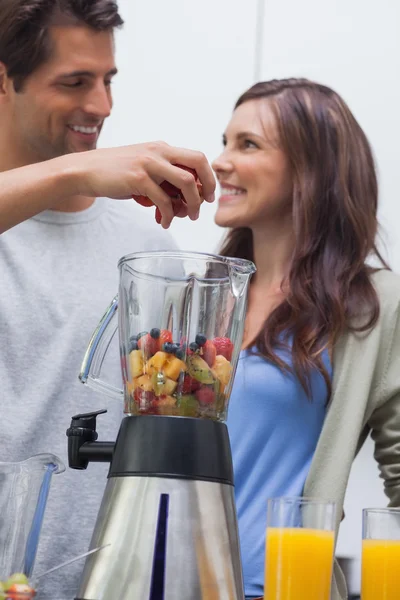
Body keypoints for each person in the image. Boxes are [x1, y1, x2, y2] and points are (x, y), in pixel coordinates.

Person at [0, 1, 215, 598]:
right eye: (74, 82)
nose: (101, 105)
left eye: (108, 80)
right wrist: (72, 173)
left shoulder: (145, 252)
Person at [212, 78, 400, 600]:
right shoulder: (205, 295)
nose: (220, 161)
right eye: (224, 141)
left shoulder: (372, 305)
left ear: (310, 170)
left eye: (247, 144)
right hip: (170, 581)